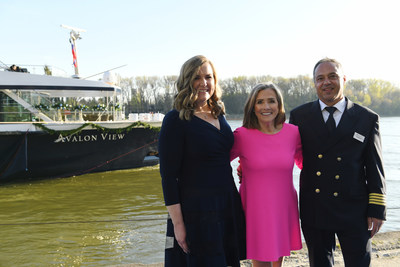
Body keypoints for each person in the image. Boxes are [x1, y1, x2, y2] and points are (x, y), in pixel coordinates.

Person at [289, 58, 386, 266]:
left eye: (332, 76)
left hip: (354, 208)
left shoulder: (366, 118)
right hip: (315, 206)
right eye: (320, 78)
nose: (326, 82)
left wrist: (377, 209)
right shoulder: (299, 116)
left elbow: (375, 167)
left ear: (343, 79)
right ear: (314, 83)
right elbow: (284, 153)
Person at [158, 55, 246, 267]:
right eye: (197, 77)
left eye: (208, 76)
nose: (204, 83)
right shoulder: (176, 119)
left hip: (226, 204)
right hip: (196, 211)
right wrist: (179, 224)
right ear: (187, 80)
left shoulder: (218, 113)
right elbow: (168, 177)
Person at [231, 83, 303, 267]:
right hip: (256, 210)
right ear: (252, 107)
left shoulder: (293, 133)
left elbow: (306, 165)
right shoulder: (241, 135)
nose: (266, 107)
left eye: (271, 101)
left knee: (278, 262)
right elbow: (216, 163)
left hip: (284, 207)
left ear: (279, 105)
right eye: (260, 102)